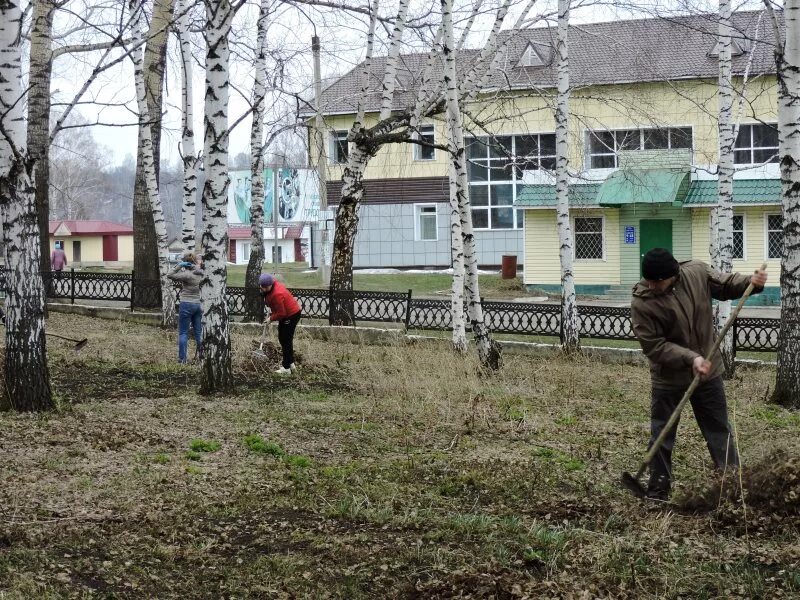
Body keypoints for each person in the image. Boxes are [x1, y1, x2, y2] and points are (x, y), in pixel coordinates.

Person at [630, 248, 768, 500]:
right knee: (663, 432)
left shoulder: (696, 272)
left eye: (657, 281)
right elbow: (654, 346)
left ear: (673, 275)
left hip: (708, 370)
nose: (652, 285)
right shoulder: (643, 301)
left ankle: (732, 483)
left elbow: (726, 285)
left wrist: (751, 282)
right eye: (648, 280)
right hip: (669, 377)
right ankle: (658, 487)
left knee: (718, 429)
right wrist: (691, 358)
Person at [259, 273, 302, 375]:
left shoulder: (277, 294)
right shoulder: (270, 286)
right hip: (287, 314)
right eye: (262, 287)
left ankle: (286, 368)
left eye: (265, 287)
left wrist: (270, 319)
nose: (263, 289)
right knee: (284, 339)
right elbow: (271, 300)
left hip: (291, 315)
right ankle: (291, 364)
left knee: (285, 340)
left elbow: (282, 313)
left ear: (270, 284)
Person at [167, 252, 203, 364]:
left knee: (183, 333)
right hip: (199, 305)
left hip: (186, 304)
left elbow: (170, 274)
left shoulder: (186, 275)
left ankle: (182, 360)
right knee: (199, 332)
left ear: (186, 262)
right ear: (196, 262)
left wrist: (180, 265)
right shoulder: (203, 273)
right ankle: (202, 357)